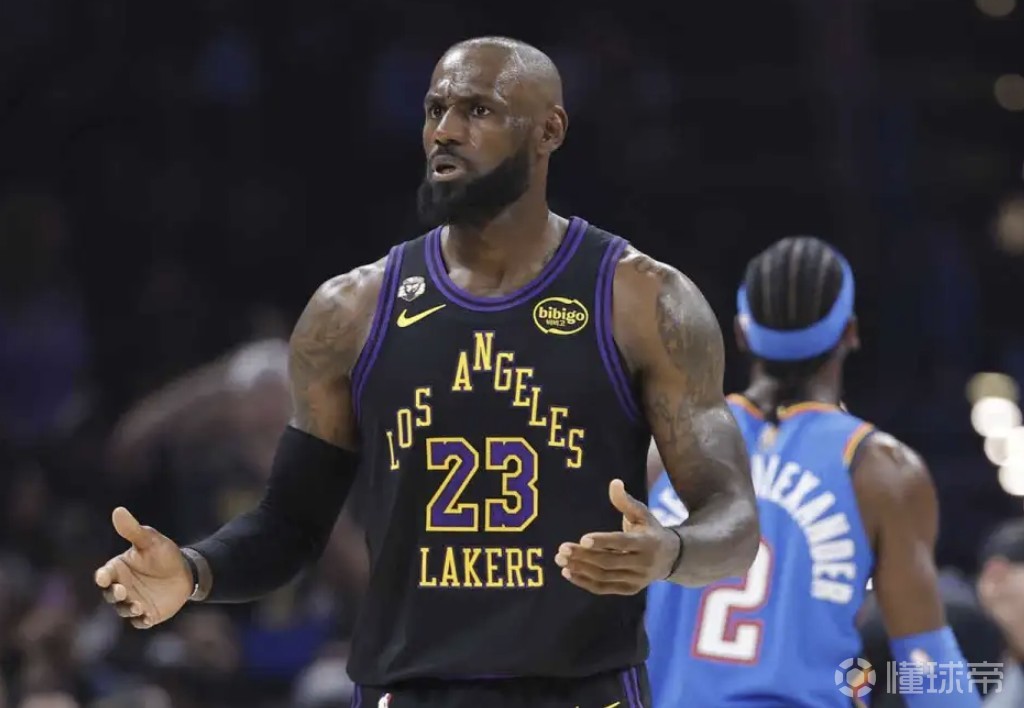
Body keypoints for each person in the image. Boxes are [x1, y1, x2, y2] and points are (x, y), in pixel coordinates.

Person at [93, 36, 759, 708]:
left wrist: (672, 551)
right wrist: (194, 570)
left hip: (583, 690)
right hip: (413, 690)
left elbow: (732, 517)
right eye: (435, 109)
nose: (445, 130)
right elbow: (290, 526)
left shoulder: (642, 300)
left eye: (478, 110)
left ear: (549, 130)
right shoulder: (349, 311)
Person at [645, 237, 979, 707]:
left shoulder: (663, 447)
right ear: (850, 333)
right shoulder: (883, 472)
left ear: (740, 333)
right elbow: (927, 661)